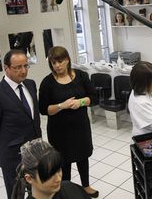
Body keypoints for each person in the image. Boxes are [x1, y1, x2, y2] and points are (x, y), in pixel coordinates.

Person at [39, 46, 98, 198]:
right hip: (59, 131)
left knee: (82, 157)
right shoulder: (47, 82)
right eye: (53, 62)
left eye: (60, 61)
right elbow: (44, 109)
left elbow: (94, 97)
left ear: (67, 60)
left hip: (80, 127)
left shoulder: (81, 76)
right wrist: (61, 106)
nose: (57, 65)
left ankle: (86, 186)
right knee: (64, 163)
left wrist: (81, 102)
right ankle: (65, 192)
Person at [0, 49, 42, 198]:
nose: (23, 71)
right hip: (13, 157)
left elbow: (32, 117)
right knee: (17, 194)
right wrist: (4, 147)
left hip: (35, 152)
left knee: (37, 190)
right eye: (18, 67)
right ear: (6, 68)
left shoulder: (30, 84)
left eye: (26, 66)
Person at [11, 138, 90, 199]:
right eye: (49, 175)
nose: (58, 179)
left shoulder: (72, 189)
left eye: (58, 170)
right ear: (29, 178)